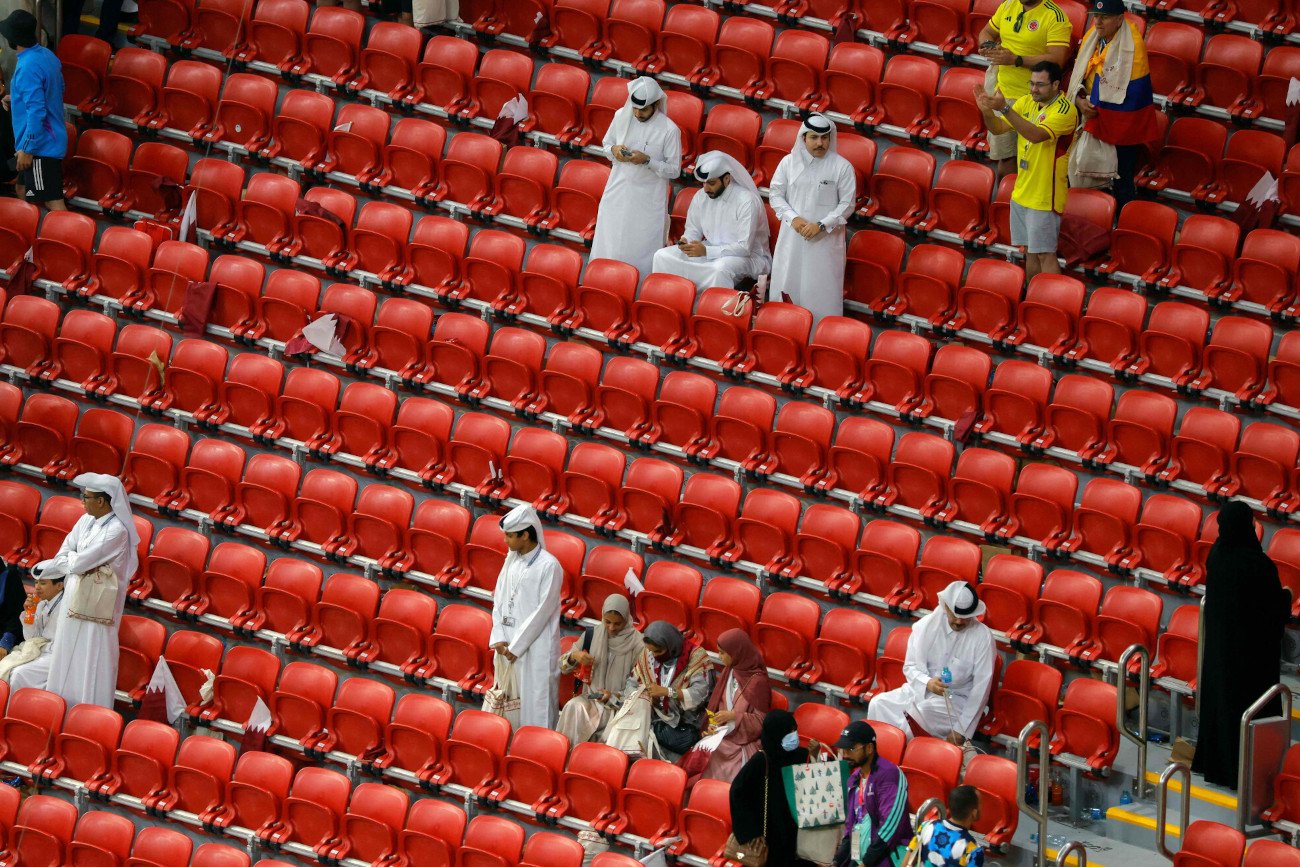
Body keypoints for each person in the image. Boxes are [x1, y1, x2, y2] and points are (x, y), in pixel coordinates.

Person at [1193, 501, 1290, 789]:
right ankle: (1244, 773)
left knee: (1220, 708)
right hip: (1250, 659)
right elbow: (1273, 609)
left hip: (1219, 652)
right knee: (1246, 711)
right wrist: (1287, 596)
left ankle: (1214, 766)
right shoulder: (1256, 564)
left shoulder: (1217, 555)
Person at [32, 473, 138, 708]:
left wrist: (72, 561)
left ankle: (90, 710)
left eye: (86, 497)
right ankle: (60, 706)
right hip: (73, 595)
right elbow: (65, 554)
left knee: (92, 655)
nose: (82, 501)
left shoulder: (117, 531)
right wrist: (72, 561)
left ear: (101, 501)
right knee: (66, 647)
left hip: (99, 604)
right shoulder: (84, 521)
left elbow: (77, 564)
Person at [974, 61, 1079, 281]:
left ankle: (1051, 304)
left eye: (1040, 85)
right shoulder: (1026, 102)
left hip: (1045, 195)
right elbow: (998, 128)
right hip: (1023, 191)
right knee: (1030, 252)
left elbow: (1036, 135)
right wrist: (987, 112)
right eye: (1031, 83)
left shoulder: (1065, 110)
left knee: (1045, 254)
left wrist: (1004, 108)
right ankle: (1034, 299)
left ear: (1056, 85)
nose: (1033, 89)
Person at [867, 582, 997, 746]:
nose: (958, 621)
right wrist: (927, 682)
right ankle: (878, 764)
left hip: (956, 701)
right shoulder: (925, 626)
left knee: (916, 717)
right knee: (878, 704)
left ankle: (903, 764)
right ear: (945, 607)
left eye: (964, 617)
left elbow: (981, 688)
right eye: (954, 615)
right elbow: (910, 667)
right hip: (918, 690)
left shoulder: (983, 637)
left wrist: (961, 729)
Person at [1066, 0, 1159, 209]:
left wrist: (1093, 107)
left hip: (1121, 123)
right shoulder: (1093, 36)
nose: (1097, 22)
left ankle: (1124, 225)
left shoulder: (1132, 45)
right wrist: (1080, 100)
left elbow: (1135, 92)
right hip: (1088, 111)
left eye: (1104, 17)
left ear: (1119, 19)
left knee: (1120, 179)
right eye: (1095, 16)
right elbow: (1078, 76)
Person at [589, 77, 683, 279]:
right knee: (609, 240)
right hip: (617, 190)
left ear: (656, 104)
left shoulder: (670, 130)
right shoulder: (621, 115)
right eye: (635, 108)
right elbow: (606, 145)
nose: (638, 113)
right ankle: (601, 281)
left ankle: (637, 288)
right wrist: (614, 150)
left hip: (647, 200)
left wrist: (648, 161)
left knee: (640, 246)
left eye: (643, 109)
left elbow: (674, 170)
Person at [768, 113, 857, 324]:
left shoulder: (842, 167)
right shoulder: (788, 163)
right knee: (788, 284)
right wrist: (794, 219)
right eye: (814, 138)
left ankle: (822, 338)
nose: (820, 143)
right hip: (792, 238)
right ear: (803, 138)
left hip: (824, 242)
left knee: (821, 291)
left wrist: (821, 225)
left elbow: (847, 204)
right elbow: (775, 194)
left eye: (825, 137)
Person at [977, 0, 1073, 179]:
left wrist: (1016, 60)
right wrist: (986, 45)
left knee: (1032, 162)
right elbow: (987, 31)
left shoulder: (1055, 16)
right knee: (1006, 160)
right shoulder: (1008, 5)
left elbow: (1058, 59)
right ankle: (1005, 203)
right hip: (1003, 94)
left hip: (1035, 99)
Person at [650, 150, 771, 292]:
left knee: (719, 269)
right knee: (662, 256)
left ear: (727, 179)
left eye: (711, 183)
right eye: (703, 183)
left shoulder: (746, 201)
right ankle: (671, 301)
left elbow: (744, 248)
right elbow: (693, 230)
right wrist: (686, 241)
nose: (706, 189)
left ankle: (710, 310)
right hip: (709, 250)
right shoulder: (701, 196)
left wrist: (707, 251)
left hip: (749, 257)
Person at [488, 504, 563, 730]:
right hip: (506, 645)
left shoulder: (549, 565)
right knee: (508, 704)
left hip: (535, 647)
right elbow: (498, 600)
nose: (506, 541)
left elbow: (543, 611)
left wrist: (516, 646)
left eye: (510, 536)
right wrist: (499, 637)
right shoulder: (510, 560)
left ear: (526, 535)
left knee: (536, 703)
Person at [603, 620, 711, 761]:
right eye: (651, 651)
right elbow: (632, 682)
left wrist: (667, 692)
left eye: (659, 651)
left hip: (683, 722)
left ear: (670, 645)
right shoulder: (648, 654)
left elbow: (700, 694)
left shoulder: (695, 656)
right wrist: (641, 694)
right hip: (652, 716)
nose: (654, 655)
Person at [681, 628, 771, 786]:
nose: (720, 657)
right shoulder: (728, 671)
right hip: (720, 735)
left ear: (736, 653)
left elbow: (761, 721)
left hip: (741, 743)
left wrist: (734, 716)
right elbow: (715, 706)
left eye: (723, 653)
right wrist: (712, 725)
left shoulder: (758, 682)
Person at [729, 710, 817, 867]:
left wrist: (816, 755)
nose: (794, 735)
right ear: (776, 733)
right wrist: (751, 833)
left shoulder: (802, 755)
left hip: (798, 835)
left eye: (794, 729)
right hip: (770, 835)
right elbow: (737, 793)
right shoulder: (761, 760)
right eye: (789, 731)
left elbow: (820, 777)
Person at [556, 593, 644, 744]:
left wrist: (613, 696)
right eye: (607, 622)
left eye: (617, 624)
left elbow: (640, 685)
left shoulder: (638, 644)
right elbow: (562, 667)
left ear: (627, 619)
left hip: (619, 707)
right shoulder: (592, 634)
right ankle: (566, 758)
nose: (611, 628)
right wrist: (573, 657)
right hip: (591, 701)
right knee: (573, 707)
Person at [0, 10, 65, 210]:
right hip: (44, 140)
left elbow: (37, 112)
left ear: (13, 39)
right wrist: (17, 98)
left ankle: (67, 240)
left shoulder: (27, 66)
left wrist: (28, 149)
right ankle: (30, 236)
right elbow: (57, 89)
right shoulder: (46, 55)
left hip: (39, 147)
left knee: (53, 202)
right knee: (23, 191)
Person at [835, 720, 911, 867]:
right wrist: (837, 861)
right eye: (842, 750)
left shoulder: (890, 775)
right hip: (860, 854)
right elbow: (851, 825)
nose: (844, 755)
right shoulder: (854, 779)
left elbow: (890, 826)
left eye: (850, 749)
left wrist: (866, 863)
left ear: (869, 748)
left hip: (886, 857)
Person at [2, 572, 63, 689]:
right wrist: (29, 613)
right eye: (36, 582)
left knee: (18, 673)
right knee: (7, 667)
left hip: (55, 654)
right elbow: (31, 637)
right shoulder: (41, 604)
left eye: (43, 583)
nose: (37, 587)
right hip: (39, 649)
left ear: (59, 585)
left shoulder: (66, 606)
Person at [904, 785, 986, 867]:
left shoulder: (926, 826)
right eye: (980, 804)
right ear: (974, 813)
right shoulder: (973, 851)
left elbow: (908, 859)